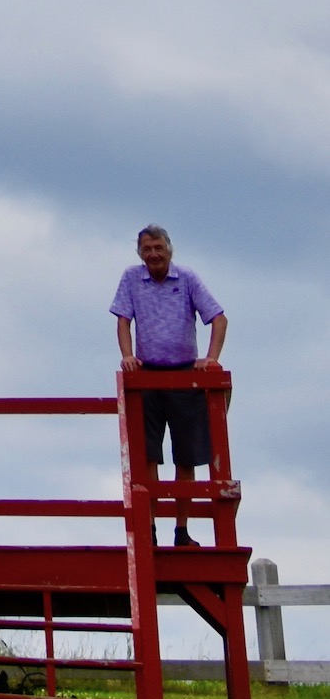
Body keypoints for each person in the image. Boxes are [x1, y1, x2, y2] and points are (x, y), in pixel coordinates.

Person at [111, 224, 227, 547]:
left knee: (185, 457)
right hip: (147, 377)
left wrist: (211, 358)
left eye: (158, 247)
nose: (153, 254)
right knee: (148, 456)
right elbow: (122, 320)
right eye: (147, 249)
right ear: (140, 253)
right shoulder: (132, 278)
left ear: (169, 249)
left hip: (183, 376)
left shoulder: (187, 278)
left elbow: (218, 317)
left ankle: (181, 530)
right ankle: (149, 529)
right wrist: (127, 355)